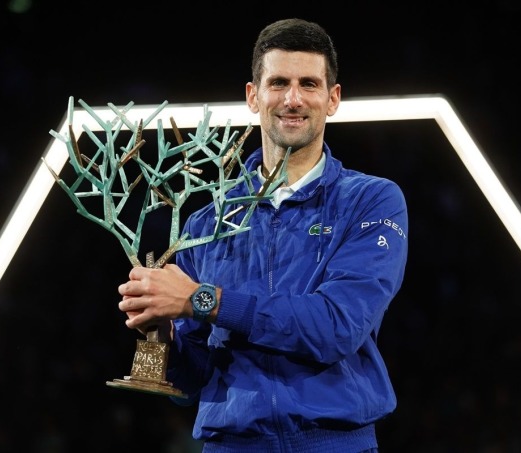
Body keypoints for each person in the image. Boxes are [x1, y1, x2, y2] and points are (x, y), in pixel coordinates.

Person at [117, 18, 409, 452]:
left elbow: (336, 326)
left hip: (332, 443)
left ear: (333, 99)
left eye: (308, 84)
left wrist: (202, 300)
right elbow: (194, 380)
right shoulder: (205, 223)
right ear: (253, 96)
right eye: (278, 83)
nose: (293, 99)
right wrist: (164, 332)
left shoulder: (371, 202)